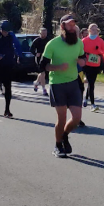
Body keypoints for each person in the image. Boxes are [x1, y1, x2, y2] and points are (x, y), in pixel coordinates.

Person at [41, 15, 86, 158]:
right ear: (62, 27)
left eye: (74, 25)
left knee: (77, 118)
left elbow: (83, 58)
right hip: (57, 84)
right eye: (69, 25)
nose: (72, 27)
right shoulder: (52, 44)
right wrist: (58, 67)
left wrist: (82, 61)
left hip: (73, 83)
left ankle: (64, 135)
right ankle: (58, 145)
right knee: (62, 118)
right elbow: (43, 66)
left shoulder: (79, 43)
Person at [82, 23, 104, 111]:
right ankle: (92, 104)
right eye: (92, 28)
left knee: (91, 83)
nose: (93, 30)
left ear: (97, 30)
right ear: (88, 30)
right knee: (91, 84)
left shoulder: (100, 41)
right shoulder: (84, 40)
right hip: (87, 64)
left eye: (95, 29)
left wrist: (98, 50)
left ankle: (85, 98)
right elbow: (80, 52)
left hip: (96, 64)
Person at [31, 27, 50, 95]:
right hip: (39, 59)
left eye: (45, 33)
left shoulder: (48, 40)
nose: (44, 35)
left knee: (43, 73)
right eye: (43, 33)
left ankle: (36, 82)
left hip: (47, 58)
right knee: (43, 74)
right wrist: (36, 54)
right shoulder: (37, 40)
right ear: (40, 33)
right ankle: (44, 89)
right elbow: (31, 49)